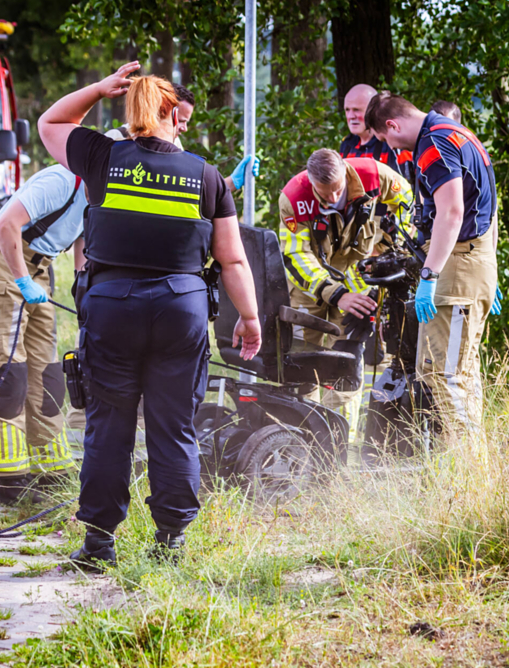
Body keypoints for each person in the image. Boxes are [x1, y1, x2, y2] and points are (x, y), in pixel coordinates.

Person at [38, 63, 261, 568]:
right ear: (166, 111)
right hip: (180, 310)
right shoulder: (207, 176)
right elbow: (232, 259)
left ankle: (97, 544)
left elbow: (50, 124)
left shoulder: (102, 156)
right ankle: (171, 541)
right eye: (178, 116)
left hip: (113, 307)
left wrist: (96, 88)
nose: (184, 124)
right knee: (173, 424)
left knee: (108, 424)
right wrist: (249, 317)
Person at [364, 92, 500, 453]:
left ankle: (471, 471)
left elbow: (452, 213)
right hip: (472, 262)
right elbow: (486, 205)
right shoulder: (457, 133)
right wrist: (489, 267)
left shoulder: (432, 144)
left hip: (457, 271)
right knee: (451, 371)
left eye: (384, 139)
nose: (390, 148)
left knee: (446, 375)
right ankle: (466, 465)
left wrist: (429, 275)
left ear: (392, 125)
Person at [0, 165, 84, 504]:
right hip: (4, 261)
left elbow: (82, 245)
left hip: (40, 267)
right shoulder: (61, 181)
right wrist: (20, 279)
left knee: (47, 372)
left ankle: (50, 469)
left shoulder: (102, 192)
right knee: (10, 371)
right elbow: (5, 224)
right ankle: (10, 478)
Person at [278, 148, 414, 443]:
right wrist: (335, 294)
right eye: (323, 194)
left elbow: (407, 203)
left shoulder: (375, 175)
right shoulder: (294, 197)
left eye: (337, 190)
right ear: (311, 182)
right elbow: (296, 254)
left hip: (354, 275)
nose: (331, 198)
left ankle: (338, 445)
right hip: (309, 287)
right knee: (302, 365)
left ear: (345, 171)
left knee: (346, 366)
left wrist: (393, 248)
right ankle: (299, 440)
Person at [118, 84, 260, 193]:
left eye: (186, 122)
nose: (184, 128)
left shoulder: (174, 143)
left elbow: (188, 193)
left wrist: (231, 183)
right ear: (162, 112)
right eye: (180, 120)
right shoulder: (117, 139)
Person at [339, 84, 414, 183]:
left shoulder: (393, 142)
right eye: (347, 110)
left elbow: (408, 187)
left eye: (357, 110)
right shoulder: (347, 145)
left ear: (372, 111)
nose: (351, 116)